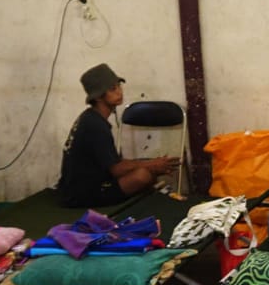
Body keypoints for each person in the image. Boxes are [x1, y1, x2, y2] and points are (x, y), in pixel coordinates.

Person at [56, 63, 178, 208]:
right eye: (113, 89)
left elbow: (112, 164)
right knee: (143, 175)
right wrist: (152, 164)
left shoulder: (90, 118)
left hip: (79, 186)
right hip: (81, 194)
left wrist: (151, 165)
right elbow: (116, 169)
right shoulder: (95, 125)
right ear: (99, 97)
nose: (119, 92)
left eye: (119, 86)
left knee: (147, 172)